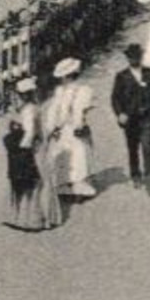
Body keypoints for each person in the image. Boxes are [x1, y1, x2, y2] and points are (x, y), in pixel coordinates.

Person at [3, 76, 63, 231]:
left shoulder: (29, 110)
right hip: (37, 147)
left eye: (18, 94)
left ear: (22, 95)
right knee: (40, 180)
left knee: (36, 181)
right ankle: (43, 217)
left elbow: (29, 133)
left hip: (33, 149)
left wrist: (20, 148)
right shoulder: (32, 108)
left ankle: (37, 218)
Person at [111, 44, 150, 196]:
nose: (134, 59)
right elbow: (115, 98)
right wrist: (120, 113)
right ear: (128, 58)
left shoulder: (149, 73)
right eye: (131, 57)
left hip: (147, 117)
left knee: (147, 147)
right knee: (133, 149)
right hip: (130, 120)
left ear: (141, 57)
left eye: (137, 56)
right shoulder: (121, 77)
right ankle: (135, 174)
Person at [43, 57, 97, 200]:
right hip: (63, 129)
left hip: (73, 128)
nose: (63, 80)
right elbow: (54, 111)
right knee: (63, 155)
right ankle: (64, 186)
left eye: (65, 77)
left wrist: (79, 125)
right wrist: (52, 127)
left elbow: (81, 111)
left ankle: (79, 187)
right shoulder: (60, 92)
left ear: (70, 75)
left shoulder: (83, 90)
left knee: (78, 155)